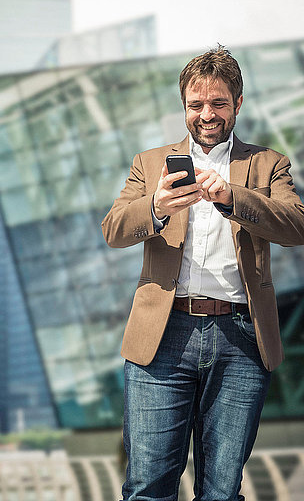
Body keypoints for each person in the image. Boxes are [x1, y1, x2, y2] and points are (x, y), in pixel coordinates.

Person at [101, 45, 304, 501]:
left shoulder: (267, 164)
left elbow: (297, 227)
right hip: (163, 335)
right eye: (196, 105)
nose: (206, 114)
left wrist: (232, 196)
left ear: (238, 104)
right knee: (148, 486)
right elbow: (113, 229)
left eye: (218, 103)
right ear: (184, 107)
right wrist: (155, 207)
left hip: (240, 338)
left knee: (221, 490)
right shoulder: (150, 164)